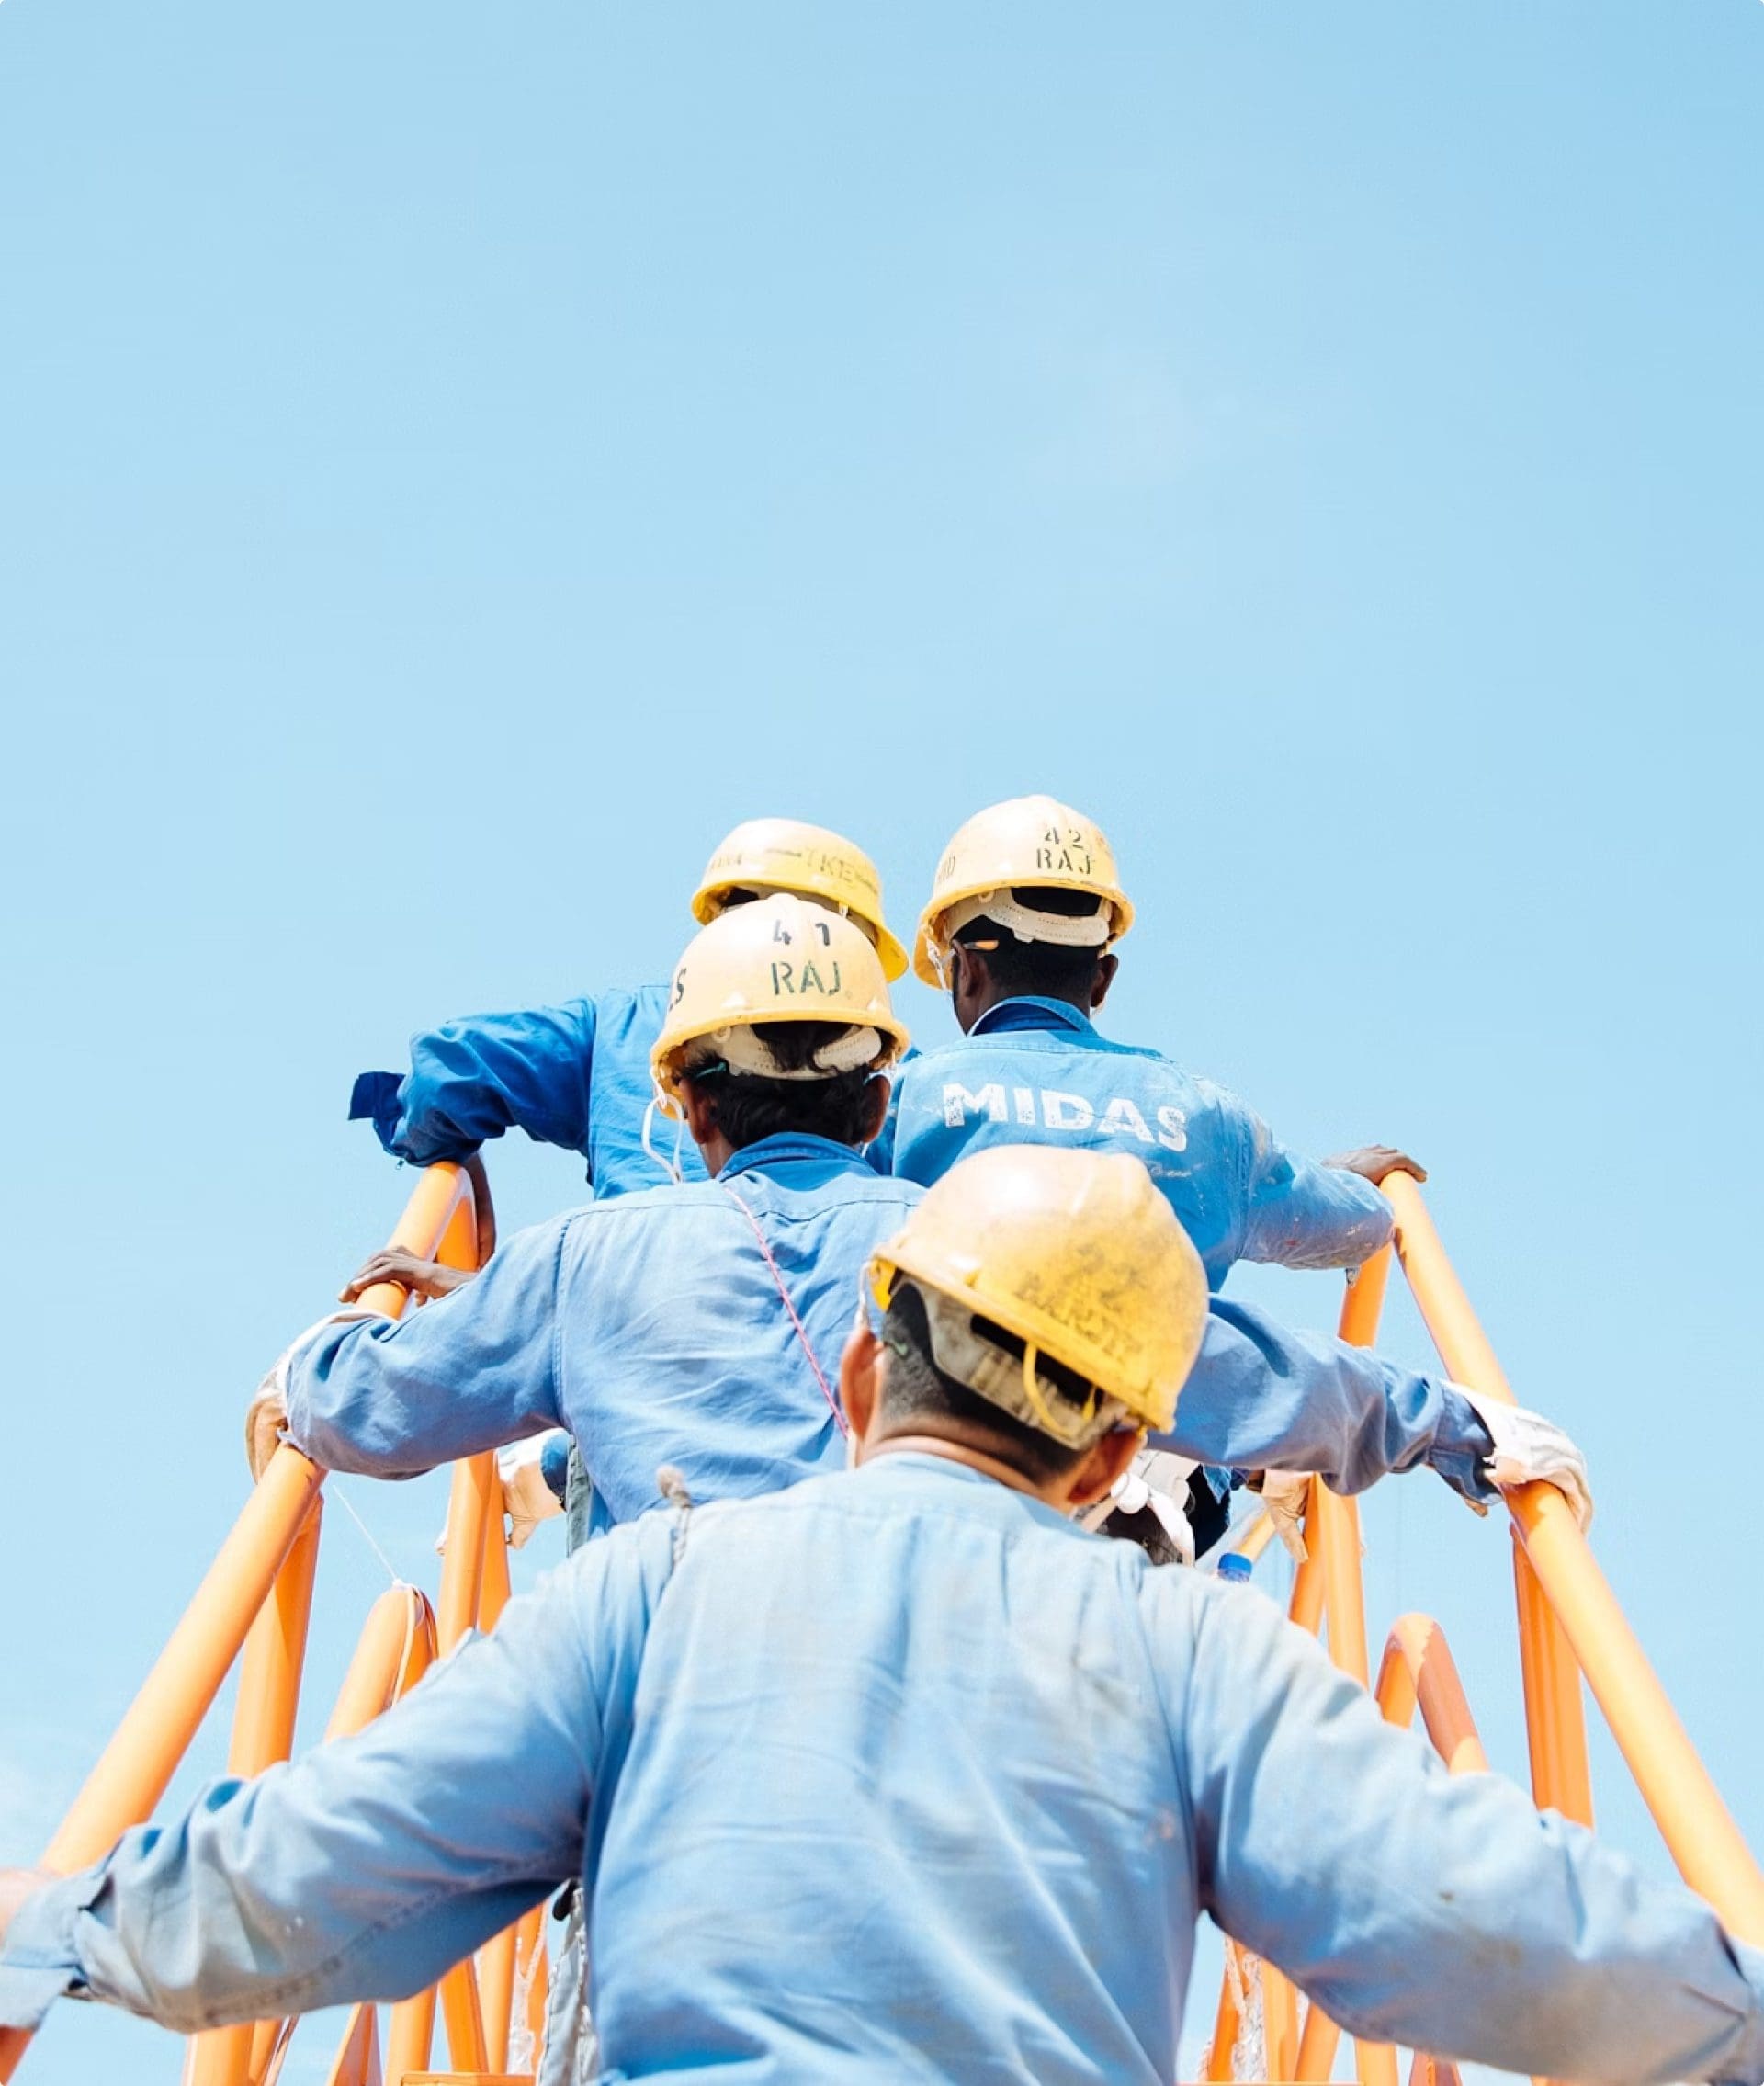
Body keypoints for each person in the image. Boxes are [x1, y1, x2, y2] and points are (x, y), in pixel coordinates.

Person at [0, 1150, 1736, 2085]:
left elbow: (329, 1875)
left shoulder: (647, 1593)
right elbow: (1474, 1917)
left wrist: (55, 1924)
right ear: (1121, 1447)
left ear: (854, 1364)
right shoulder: (1200, 1651)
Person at [247, 900, 1587, 1553]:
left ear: (685, 1100)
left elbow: (363, 1413)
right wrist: (1450, 1423)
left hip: (665, 1802)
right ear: (883, 1084)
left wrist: (330, 1349)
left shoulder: (578, 1262)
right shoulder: (986, 1243)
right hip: (943, 1777)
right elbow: (1235, 1367)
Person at [878, 793, 1425, 1551]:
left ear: (962, 970)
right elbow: (1351, 1228)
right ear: (1101, 977)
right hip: (1153, 1485)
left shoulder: (901, 1101)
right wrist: (1355, 1182)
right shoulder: (1206, 1117)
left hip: (950, 1486)